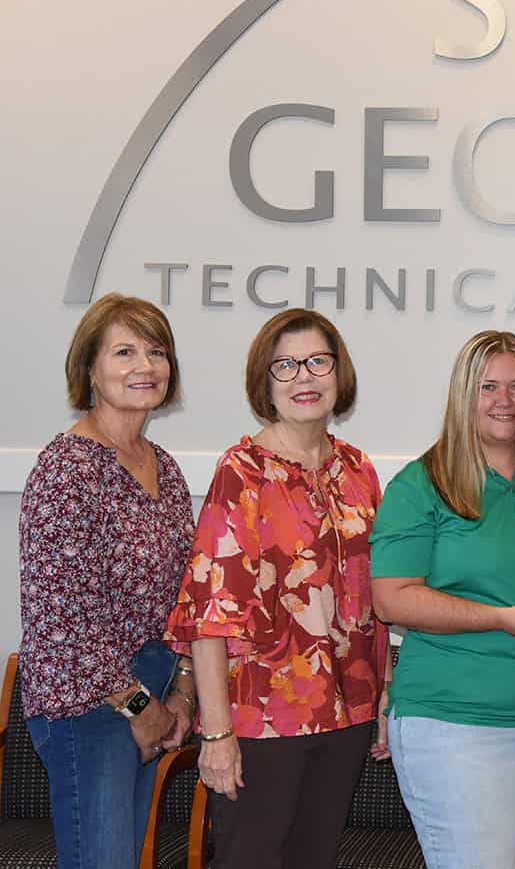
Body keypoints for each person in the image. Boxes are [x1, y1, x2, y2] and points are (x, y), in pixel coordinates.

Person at [165, 309, 389, 869]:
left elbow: (376, 598)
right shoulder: (242, 472)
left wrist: (384, 694)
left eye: (317, 362)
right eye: (284, 366)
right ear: (264, 382)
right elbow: (208, 614)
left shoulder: (358, 470)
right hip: (263, 720)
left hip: (348, 715)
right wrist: (216, 734)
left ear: (339, 374)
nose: (303, 378)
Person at [370, 330, 515, 869]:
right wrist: (499, 618)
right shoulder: (421, 485)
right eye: (488, 387)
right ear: (462, 395)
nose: (504, 401)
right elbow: (393, 601)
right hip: (457, 723)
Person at [19, 293, 197, 869]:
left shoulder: (163, 466)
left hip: (153, 687)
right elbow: (63, 614)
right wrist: (142, 707)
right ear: (89, 369)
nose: (145, 366)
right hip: (90, 706)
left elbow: (189, 593)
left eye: (157, 351)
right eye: (124, 351)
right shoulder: (66, 468)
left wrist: (182, 693)